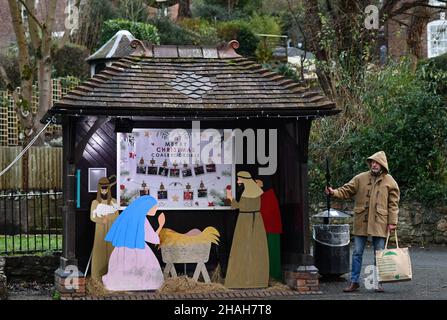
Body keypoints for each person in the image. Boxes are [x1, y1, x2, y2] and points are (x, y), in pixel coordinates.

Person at [325, 151, 400, 293]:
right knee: (357, 253)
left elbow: (393, 204)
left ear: (382, 164)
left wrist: (392, 222)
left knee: (379, 253)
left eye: (376, 162)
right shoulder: (360, 178)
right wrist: (333, 192)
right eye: (372, 162)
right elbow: (346, 190)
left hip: (380, 221)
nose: (374, 164)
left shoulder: (390, 182)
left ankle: (378, 282)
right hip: (362, 220)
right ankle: (354, 282)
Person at [102, 195, 166, 291]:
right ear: (146, 207)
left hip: (122, 249)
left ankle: (123, 285)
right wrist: (161, 225)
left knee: (123, 268)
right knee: (144, 268)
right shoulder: (142, 220)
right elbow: (152, 238)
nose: (156, 210)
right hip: (138, 249)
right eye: (154, 207)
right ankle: (139, 285)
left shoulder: (127, 217)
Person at [225, 171, 269, 288]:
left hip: (245, 221)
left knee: (242, 249)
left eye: (239, 179)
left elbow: (239, 206)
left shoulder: (248, 192)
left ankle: (241, 280)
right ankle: (256, 280)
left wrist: (230, 198)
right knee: (255, 250)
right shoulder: (254, 190)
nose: (238, 181)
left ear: (244, 179)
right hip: (255, 221)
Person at [90, 177, 119, 280]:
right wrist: (101, 220)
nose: (104, 191)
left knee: (112, 251)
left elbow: (117, 215)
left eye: (106, 188)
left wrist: (108, 218)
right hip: (100, 231)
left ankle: (112, 277)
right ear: (99, 189)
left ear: (108, 189)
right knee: (99, 251)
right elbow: (92, 217)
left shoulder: (113, 201)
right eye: (102, 189)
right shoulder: (95, 203)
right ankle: (97, 277)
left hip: (111, 230)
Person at [255, 177, 283, 281]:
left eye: (257, 182)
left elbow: (267, 213)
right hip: (265, 229)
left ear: (262, 183)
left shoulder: (267, 195)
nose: (255, 184)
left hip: (271, 229)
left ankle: (273, 276)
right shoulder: (263, 195)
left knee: (271, 251)